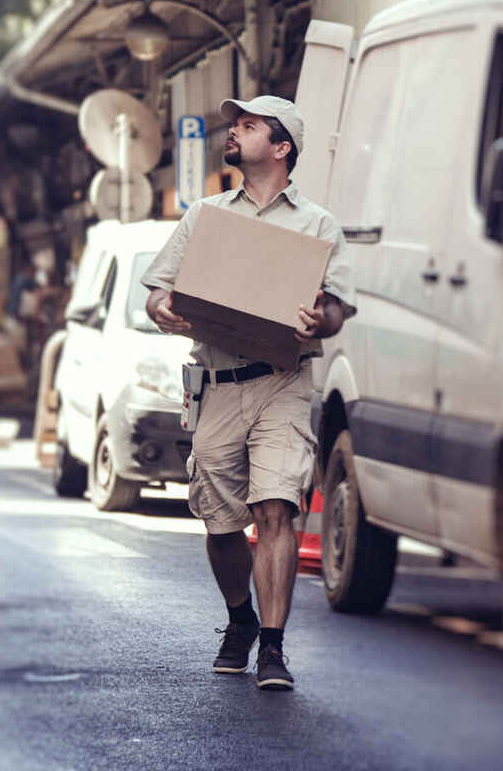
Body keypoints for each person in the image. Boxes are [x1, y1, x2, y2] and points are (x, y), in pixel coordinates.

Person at [140, 94, 355, 692]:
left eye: (248, 126)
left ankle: (274, 647)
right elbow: (157, 290)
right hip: (217, 386)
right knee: (220, 521)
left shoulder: (317, 225)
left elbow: (336, 307)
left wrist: (322, 320)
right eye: (234, 125)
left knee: (276, 506)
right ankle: (240, 618)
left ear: (281, 147)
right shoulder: (206, 215)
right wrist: (164, 311)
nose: (233, 132)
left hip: (282, 382)